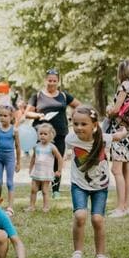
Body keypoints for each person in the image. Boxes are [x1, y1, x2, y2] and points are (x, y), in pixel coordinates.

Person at [66, 106, 128, 258]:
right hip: (79, 184)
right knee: (80, 216)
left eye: (83, 124)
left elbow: (117, 136)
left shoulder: (103, 139)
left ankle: (100, 254)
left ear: (94, 125)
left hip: (100, 186)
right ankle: (77, 253)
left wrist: (125, 130)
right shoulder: (70, 139)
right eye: (75, 124)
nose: (79, 127)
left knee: (97, 219)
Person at [25, 68, 82, 198]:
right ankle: (40, 189)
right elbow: (27, 113)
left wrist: (73, 116)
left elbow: (79, 106)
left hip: (60, 132)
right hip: (41, 134)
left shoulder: (64, 96)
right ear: (45, 80)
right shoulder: (37, 96)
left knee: (58, 159)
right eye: (49, 80)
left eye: (54, 81)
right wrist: (38, 115)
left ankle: (56, 189)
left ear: (58, 81)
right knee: (41, 160)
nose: (52, 83)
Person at [105, 60, 129, 217]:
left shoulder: (124, 86)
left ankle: (120, 208)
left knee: (116, 169)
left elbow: (116, 110)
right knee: (126, 169)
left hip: (120, 131)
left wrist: (108, 110)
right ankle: (127, 206)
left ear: (121, 71)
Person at [27, 123, 64, 212]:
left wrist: (59, 170)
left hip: (46, 173)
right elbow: (33, 158)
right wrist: (30, 168)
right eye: (41, 134)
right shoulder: (36, 146)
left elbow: (59, 158)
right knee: (33, 190)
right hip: (37, 172)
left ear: (51, 136)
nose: (42, 135)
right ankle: (31, 206)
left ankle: (46, 207)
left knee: (45, 191)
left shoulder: (52, 147)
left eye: (45, 134)